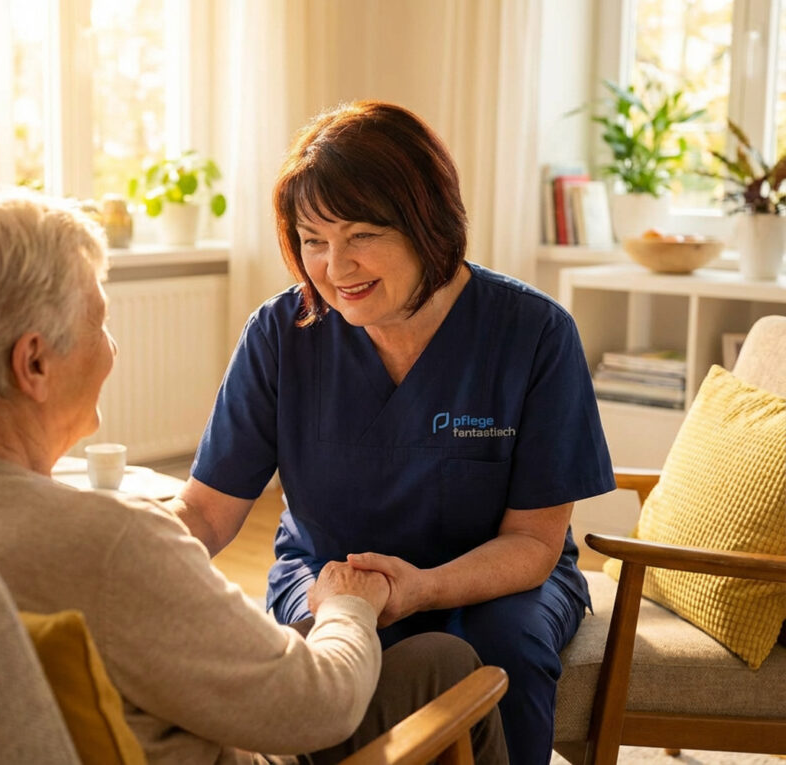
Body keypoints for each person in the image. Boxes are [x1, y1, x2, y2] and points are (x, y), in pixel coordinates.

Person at [0, 186, 507, 765]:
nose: (111, 346)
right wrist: (348, 605)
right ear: (33, 363)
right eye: (98, 320)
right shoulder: (112, 544)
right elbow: (321, 706)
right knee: (451, 667)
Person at [171, 101, 616, 765]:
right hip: (329, 570)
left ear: (427, 222)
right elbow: (208, 511)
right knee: (319, 665)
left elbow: (532, 541)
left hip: (499, 577)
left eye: (362, 235)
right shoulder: (280, 335)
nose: (335, 267)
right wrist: (126, 562)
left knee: (505, 654)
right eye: (313, 240)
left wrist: (420, 588)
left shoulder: (534, 334)